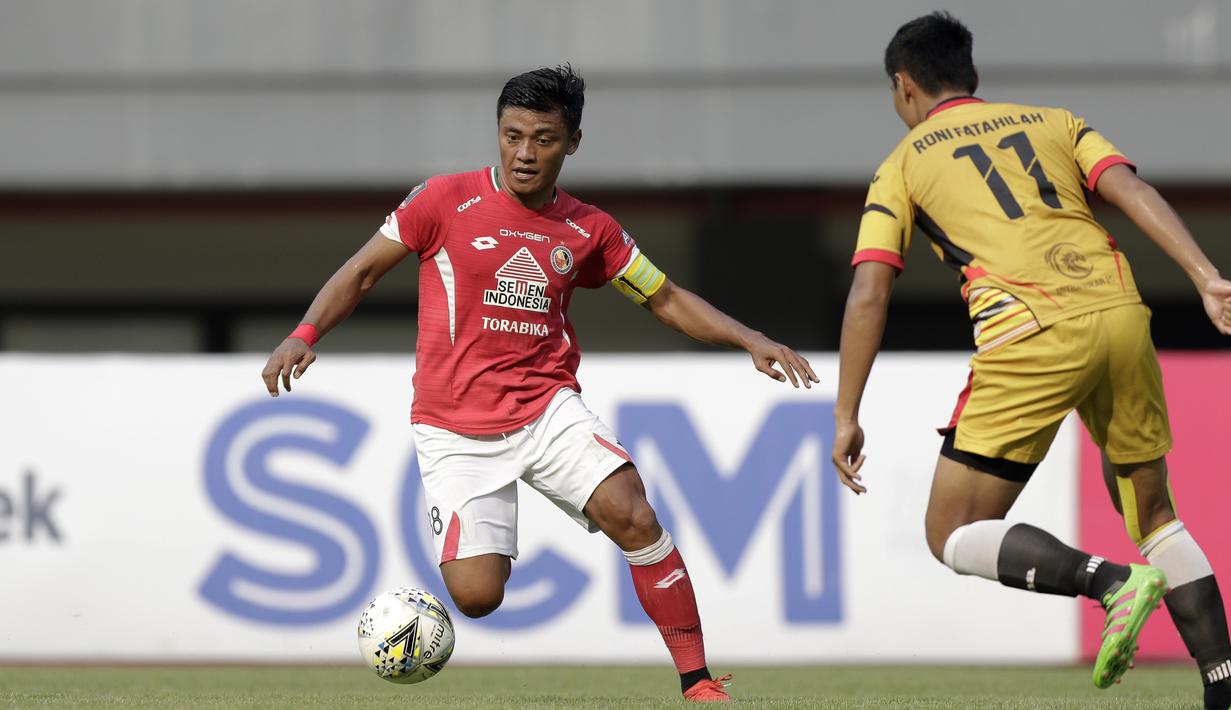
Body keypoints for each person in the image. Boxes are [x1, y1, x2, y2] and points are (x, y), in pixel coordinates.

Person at [261, 64, 818, 703]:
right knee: (476, 598)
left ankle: (696, 680)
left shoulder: (590, 230)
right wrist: (304, 334)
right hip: (453, 428)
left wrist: (751, 338)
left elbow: (664, 299)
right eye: (513, 135)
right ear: (497, 132)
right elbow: (360, 272)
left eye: (544, 139)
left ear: (573, 142)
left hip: (546, 408)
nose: (525, 153)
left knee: (632, 513)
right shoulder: (441, 200)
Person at [831, 12, 1231, 707]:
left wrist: (845, 414)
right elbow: (1131, 191)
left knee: (949, 532)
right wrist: (1204, 278)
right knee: (1154, 513)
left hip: (1032, 333)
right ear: (973, 77)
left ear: (903, 87)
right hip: (1120, 311)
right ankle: (1224, 690)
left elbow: (869, 292)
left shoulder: (900, 164)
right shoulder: (1055, 120)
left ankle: (1110, 583)